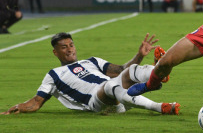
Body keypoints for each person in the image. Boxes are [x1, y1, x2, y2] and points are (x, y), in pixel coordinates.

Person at [1, 33, 180, 115]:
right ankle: (160, 107)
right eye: (64, 47)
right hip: (96, 102)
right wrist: (19, 106)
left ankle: (159, 73)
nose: (70, 49)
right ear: (56, 53)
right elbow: (36, 102)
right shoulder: (54, 75)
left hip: (120, 98)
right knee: (111, 85)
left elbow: (120, 70)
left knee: (132, 71)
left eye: (71, 45)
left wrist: (140, 55)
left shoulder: (91, 61)